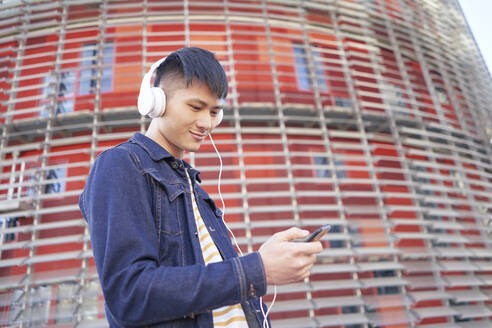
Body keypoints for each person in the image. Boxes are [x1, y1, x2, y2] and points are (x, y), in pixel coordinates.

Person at [79, 47, 322, 328]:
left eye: (215, 111)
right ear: (156, 102)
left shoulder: (193, 186)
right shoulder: (121, 164)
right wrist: (257, 269)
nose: (206, 123)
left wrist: (263, 268)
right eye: (195, 107)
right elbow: (130, 293)